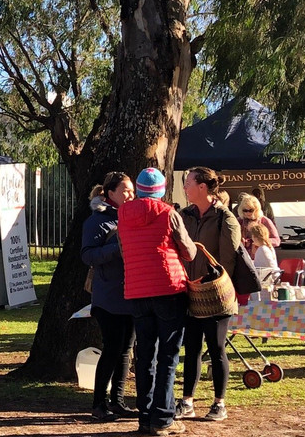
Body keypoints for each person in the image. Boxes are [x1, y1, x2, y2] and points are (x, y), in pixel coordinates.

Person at [117, 166, 196, 437]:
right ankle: (163, 419)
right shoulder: (169, 213)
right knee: (169, 355)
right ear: (161, 191)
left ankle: (145, 415)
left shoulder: (123, 214)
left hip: (137, 290)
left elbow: (123, 248)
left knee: (145, 354)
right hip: (168, 289)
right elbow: (188, 251)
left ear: (138, 189)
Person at [177, 166, 242, 423]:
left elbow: (228, 262)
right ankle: (187, 401)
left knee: (216, 348)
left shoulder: (225, 218)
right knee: (191, 348)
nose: (185, 187)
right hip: (189, 291)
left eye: (188, 183)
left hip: (215, 294)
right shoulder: (184, 215)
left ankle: (219, 403)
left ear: (202, 187)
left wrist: (209, 282)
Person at [81, 171, 137, 421]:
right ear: (110, 193)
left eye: (132, 190)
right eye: (125, 190)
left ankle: (118, 400)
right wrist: (118, 249)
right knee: (112, 349)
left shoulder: (133, 215)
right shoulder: (98, 220)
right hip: (108, 296)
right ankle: (98, 403)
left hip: (132, 293)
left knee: (126, 350)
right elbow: (88, 255)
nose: (130, 195)